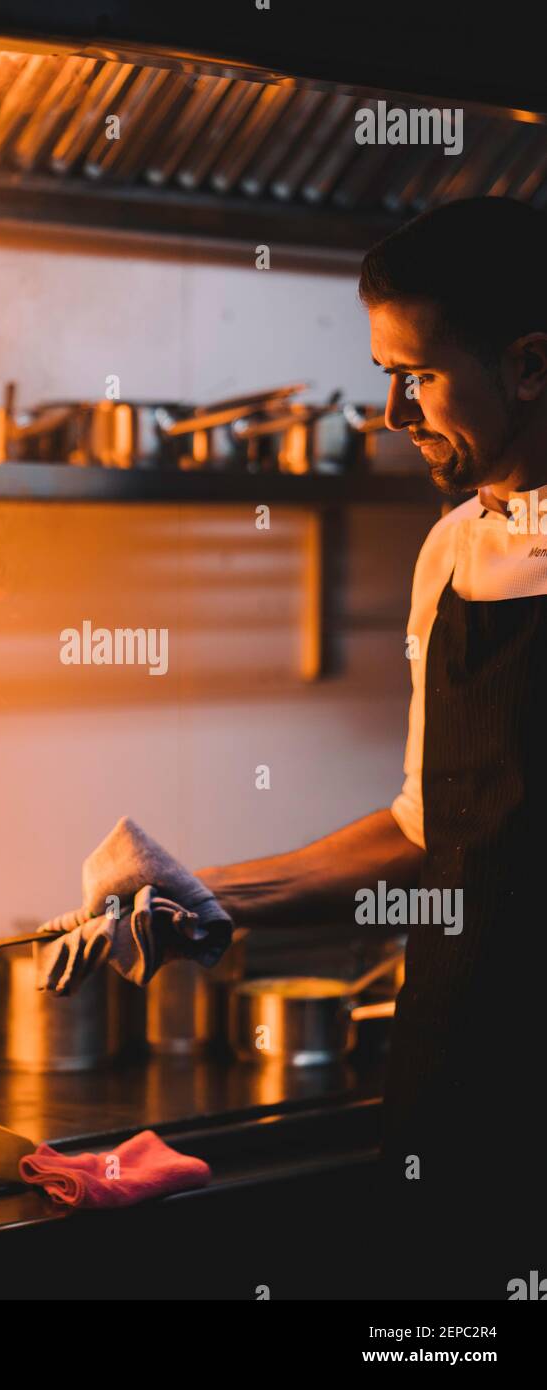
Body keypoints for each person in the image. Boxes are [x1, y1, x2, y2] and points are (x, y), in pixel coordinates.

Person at [195, 196, 547, 1296]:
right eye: (382, 374)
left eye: (420, 377)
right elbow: (422, 825)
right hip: (449, 1071)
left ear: (529, 366)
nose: (390, 411)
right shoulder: (449, 553)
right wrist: (208, 893)